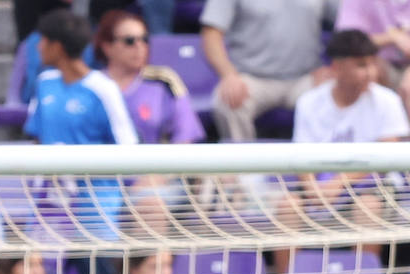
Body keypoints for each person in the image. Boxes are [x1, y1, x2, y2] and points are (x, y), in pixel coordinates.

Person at [266, 29, 410, 274]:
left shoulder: (387, 101)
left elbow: (385, 155)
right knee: (287, 207)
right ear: (336, 67)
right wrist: (311, 188)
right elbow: (302, 155)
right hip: (321, 187)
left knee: (367, 208)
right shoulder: (310, 102)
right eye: (360, 64)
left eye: (371, 63)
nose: (370, 71)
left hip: (372, 186)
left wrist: (339, 183)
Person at [26, 9, 139, 235]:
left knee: (97, 268)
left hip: (95, 204)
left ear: (57, 46)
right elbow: (37, 137)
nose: (38, 47)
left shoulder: (103, 89)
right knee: (43, 269)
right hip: (51, 203)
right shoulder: (44, 83)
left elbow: (128, 147)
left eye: (43, 41)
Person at [200, 0, 339, 143]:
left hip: (307, 77)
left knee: (342, 90)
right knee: (226, 102)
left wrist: (336, 67)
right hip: (252, 78)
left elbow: (349, 20)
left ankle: (323, 162)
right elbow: (211, 34)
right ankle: (242, 163)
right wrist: (228, 75)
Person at [335, 0, 410, 139]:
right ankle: (365, 148)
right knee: (366, 75)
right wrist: (394, 37)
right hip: (379, 62)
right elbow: (347, 39)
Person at [94, 10, 205, 145]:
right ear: (107, 47)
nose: (139, 46)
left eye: (144, 39)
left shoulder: (164, 81)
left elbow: (185, 136)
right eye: (129, 41)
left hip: (157, 164)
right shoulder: (92, 85)